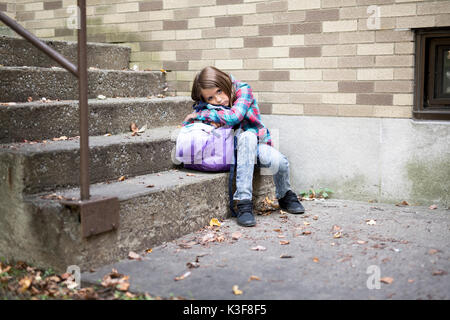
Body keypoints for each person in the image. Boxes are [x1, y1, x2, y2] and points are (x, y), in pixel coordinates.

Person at [182, 66, 305, 227]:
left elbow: (235, 116)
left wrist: (200, 114)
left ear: (225, 82)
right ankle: (244, 203)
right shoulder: (209, 104)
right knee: (246, 137)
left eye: (219, 91)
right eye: (210, 98)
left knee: (278, 161)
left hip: (257, 144)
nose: (218, 100)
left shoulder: (243, 90)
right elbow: (191, 123)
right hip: (230, 149)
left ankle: (285, 195)